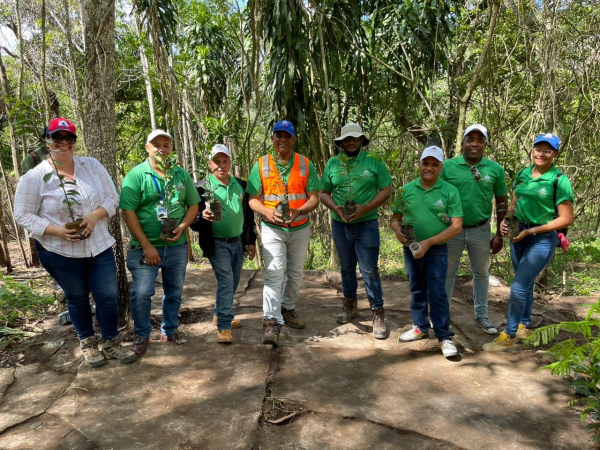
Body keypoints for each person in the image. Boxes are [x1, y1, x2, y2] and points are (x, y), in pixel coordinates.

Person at [14, 117, 136, 367]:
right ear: (46, 140)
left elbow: (113, 197)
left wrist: (95, 215)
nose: (64, 143)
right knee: (78, 298)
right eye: (57, 137)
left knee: (108, 296)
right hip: (59, 250)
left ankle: (112, 343)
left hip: (98, 245)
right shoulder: (35, 177)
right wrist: (57, 230)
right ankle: (88, 344)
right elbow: (22, 214)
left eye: (69, 138)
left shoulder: (91, 166)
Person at [484, 133, 574, 352]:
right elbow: (515, 199)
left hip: (541, 238)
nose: (541, 154)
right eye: (538, 149)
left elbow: (566, 218)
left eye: (547, 150)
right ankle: (525, 325)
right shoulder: (523, 173)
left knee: (518, 286)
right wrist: (506, 221)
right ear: (532, 150)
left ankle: (510, 334)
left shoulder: (559, 180)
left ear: (556, 154)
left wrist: (532, 230)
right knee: (524, 284)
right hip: (518, 234)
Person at [120, 129, 200, 356]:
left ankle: (169, 330)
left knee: (174, 292)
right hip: (144, 248)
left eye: (167, 145)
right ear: (147, 148)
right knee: (142, 292)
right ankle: (142, 333)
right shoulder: (136, 175)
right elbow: (128, 211)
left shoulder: (180, 175)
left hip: (176, 247)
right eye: (157, 145)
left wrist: (183, 227)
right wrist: (147, 245)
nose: (162, 149)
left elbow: (193, 205)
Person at [246, 120, 320, 346]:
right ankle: (271, 322)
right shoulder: (261, 164)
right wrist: (267, 212)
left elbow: (314, 198)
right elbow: (252, 199)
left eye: (287, 136)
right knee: (274, 274)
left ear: (294, 139)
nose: (283, 140)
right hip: (273, 228)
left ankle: (287, 308)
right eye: (278, 135)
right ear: (272, 139)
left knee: (296, 273)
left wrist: (299, 211)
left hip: (299, 227)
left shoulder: (305, 164)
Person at [320, 123, 392, 339]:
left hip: (367, 224)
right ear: (341, 142)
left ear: (361, 140)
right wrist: (335, 208)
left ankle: (377, 313)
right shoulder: (333, 163)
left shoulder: (374, 161)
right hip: (340, 224)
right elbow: (324, 192)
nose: (351, 142)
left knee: (369, 270)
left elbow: (387, 189)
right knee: (346, 268)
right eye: (347, 139)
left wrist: (365, 209)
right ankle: (349, 304)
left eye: (355, 138)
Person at [391, 146, 463, 359]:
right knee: (416, 288)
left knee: (437, 291)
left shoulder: (450, 191)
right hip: (411, 248)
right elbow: (395, 217)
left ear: (441, 167)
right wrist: (396, 230)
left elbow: (457, 226)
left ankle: (444, 336)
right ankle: (420, 327)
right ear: (420, 164)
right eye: (426, 163)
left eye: (434, 164)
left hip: (437, 249)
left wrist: (429, 242)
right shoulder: (406, 190)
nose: (429, 168)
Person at [440, 124, 508, 334]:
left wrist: (499, 234)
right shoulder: (447, 167)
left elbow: (502, 201)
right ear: (463, 143)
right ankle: (442, 316)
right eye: (470, 139)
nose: (475, 144)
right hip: (452, 230)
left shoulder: (494, 169)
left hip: (481, 229)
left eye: (480, 140)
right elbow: (436, 196)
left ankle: (481, 315)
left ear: (485, 144)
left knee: (481, 273)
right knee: (448, 273)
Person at [190, 144, 257, 344]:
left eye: (225, 161)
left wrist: (251, 241)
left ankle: (220, 313)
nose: (221, 165)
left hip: (237, 242)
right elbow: (193, 222)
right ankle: (224, 326)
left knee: (234, 281)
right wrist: (202, 216)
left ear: (230, 162)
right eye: (217, 162)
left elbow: (248, 215)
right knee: (226, 281)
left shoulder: (241, 185)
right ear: (210, 164)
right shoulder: (201, 188)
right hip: (216, 244)